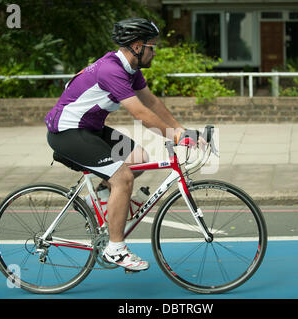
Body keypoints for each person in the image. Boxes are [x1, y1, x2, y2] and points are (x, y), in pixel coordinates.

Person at [45, 17, 202, 271]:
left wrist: (181, 130)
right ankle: (115, 249)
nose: (155, 52)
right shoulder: (112, 70)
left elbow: (151, 102)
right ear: (138, 46)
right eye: (153, 46)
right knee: (124, 178)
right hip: (67, 132)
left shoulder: (131, 70)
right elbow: (141, 114)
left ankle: (102, 199)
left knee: (139, 158)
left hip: (89, 129)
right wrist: (174, 137)